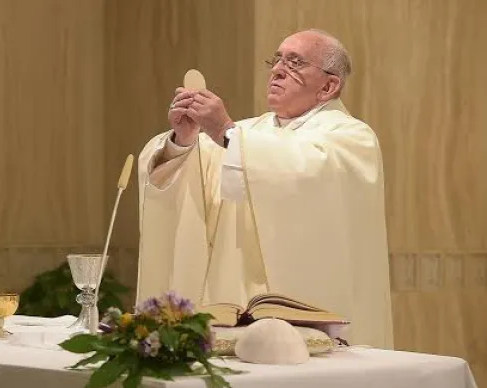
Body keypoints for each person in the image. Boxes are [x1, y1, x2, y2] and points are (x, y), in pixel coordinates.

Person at [136, 29, 393, 348]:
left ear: (329, 86)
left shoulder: (352, 137)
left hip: (307, 312)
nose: (278, 69)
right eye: (277, 59)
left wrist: (226, 132)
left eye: (295, 62)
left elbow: (303, 173)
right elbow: (197, 171)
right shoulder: (248, 132)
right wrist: (183, 140)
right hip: (235, 310)